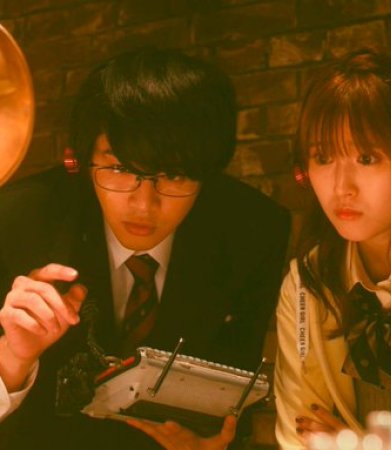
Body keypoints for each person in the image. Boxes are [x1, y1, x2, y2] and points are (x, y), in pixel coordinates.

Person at [0, 47, 290, 450]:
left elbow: (235, 391)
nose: (143, 205)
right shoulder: (19, 218)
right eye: (121, 168)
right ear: (85, 159)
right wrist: (12, 358)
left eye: (174, 175)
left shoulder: (252, 230)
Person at [274, 47, 391, 449]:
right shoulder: (309, 283)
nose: (342, 187)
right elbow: (300, 435)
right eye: (323, 157)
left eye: (367, 158)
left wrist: (373, 443)